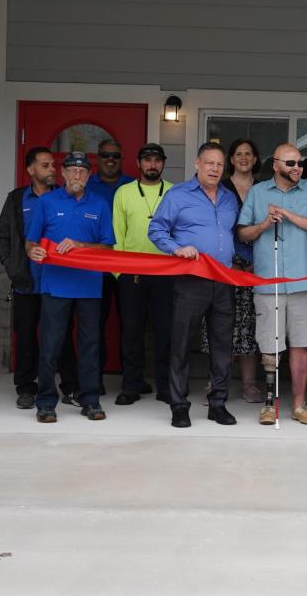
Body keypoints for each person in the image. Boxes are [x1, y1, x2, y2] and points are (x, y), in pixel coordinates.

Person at [148, 142, 241, 429]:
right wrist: (176, 248)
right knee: (181, 344)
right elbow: (156, 230)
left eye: (219, 164)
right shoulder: (178, 195)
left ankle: (218, 404)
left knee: (222, 346)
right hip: (191, 282)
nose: (215, 168)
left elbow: (233, 236)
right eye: (209, 163)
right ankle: (179, 406)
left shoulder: (229, 198)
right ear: (197, 164)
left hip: (224, 280)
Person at [24, 152, 116, 423]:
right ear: (62, 173)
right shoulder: (48, 202)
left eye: (83, 171)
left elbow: (108, 246)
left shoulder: (99, 204)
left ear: (89, 175)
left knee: (90, 345)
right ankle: (46, 402)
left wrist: (81, 245)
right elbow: (32, 242)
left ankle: (90, 400)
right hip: (55, 285)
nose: (77, 175)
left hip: (89, 286)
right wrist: (34, 252)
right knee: (50, 346)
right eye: (72, 170)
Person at [238, 143, 307, 426]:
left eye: (299, 163)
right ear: (275, 165)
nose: (297, 168)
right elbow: (244, 233)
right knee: (270, 345)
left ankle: (299, 405)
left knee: (302, 344)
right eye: (290, 163)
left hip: (304, 279)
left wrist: (286, 215)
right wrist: (264, 223)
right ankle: (268, 404)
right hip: (268, 278)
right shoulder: (258, 191)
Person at [0, 146, 78, 409]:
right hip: (26, 283)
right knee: (26, 336)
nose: (52, 170)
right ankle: (26, 388)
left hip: (58, 282)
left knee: (63, 336)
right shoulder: (17, 199)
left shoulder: (64, 198)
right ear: (31, 170)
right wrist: (13, 267)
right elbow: (3, 238)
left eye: (53, 166)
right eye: (45, 165)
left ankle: (70, 387)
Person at [111, 143, 174, 406]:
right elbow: (117, 233)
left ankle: (166, 386)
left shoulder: (174, 192)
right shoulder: (123, 192)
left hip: (167, 272)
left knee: (166, 332)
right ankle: (131, 385)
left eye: (157, 160)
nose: (152, 165)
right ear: (138, 163)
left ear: (162, 164)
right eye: (147, 160)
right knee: (132, 332)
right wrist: (119, 273)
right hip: (132, 273)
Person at [207, 138, 264, 404]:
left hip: (255, 269)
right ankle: (216, 384)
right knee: (220, 325)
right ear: (231, 159)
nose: (243, 158)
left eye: (248, 154)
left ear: (255, 159)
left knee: (249, 327)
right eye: (238, 153)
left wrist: (256, 260)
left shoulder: (264, 189)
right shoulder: (220, 188)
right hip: (223, 267)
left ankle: (250, 384)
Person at [86, 138, 135, 386]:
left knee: (130, 325)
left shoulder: (132, 186)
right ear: (98, 157)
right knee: (95, 325)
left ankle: (131, 380)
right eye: (105, 155)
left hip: (127, 266)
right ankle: (95, 379)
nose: (110, 160)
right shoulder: (87, 185)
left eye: (115, 156)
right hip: (97, 267)